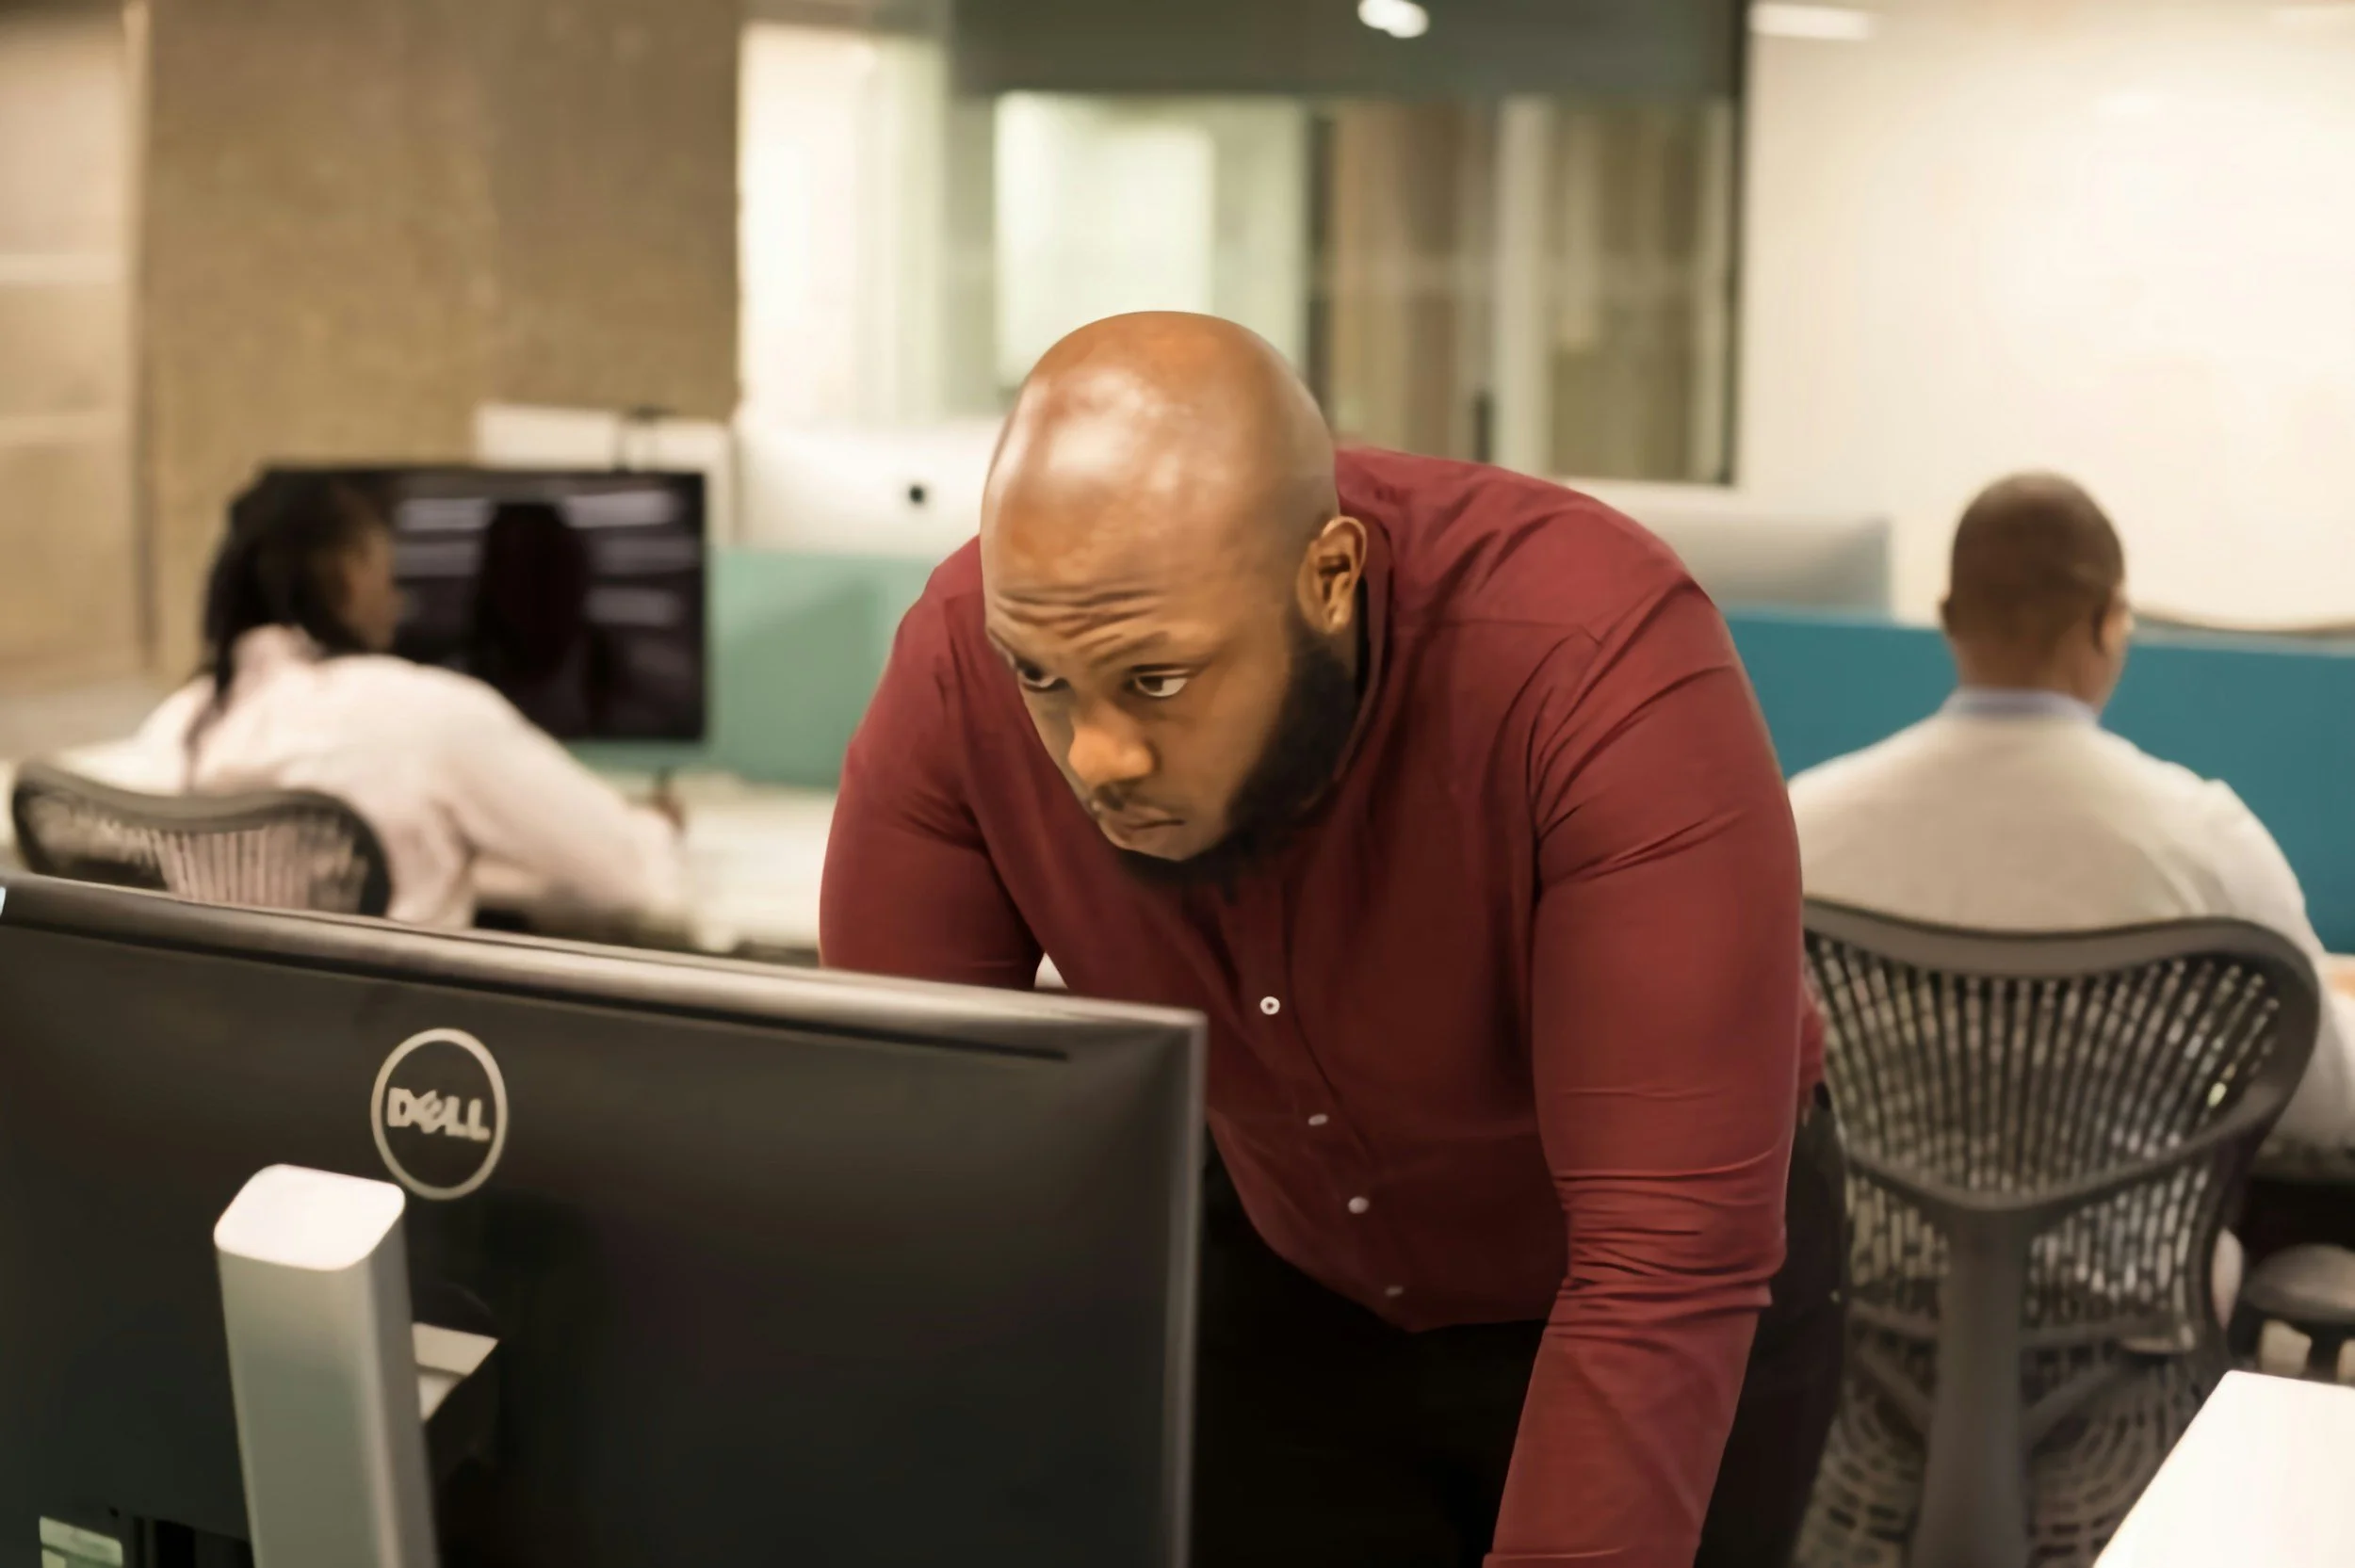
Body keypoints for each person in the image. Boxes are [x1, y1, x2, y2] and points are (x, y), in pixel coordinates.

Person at [821, 313, 1843, 1568]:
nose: (1098, 758)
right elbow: (897, 1182)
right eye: (1043, 681)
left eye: (1156, 681)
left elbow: (1659, 1264)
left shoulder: (1594, 667)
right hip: (1295, 1269)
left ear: (1329, 578)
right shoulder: (964, 661)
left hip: (1650, 1274)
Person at [1790, 474, 2355, 1153]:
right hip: (2134, 1262)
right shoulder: (2207, 837)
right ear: (2106, 623)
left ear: (1949, 618)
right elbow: (2326, 1108)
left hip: (1868, 1258)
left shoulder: (1802, 827)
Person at [111, 470, 687, 929]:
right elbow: (628, 875)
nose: (397, 591)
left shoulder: (179, 724)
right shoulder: (427, 714)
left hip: (235, 1046)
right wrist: (654, 827)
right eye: (385, 562)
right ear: (350, 571)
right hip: (404, 1060)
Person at [463, 499, 622, 738]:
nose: (535, 596)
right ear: (492, 586)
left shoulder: (620, 684)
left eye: (547, 576)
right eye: (519, 579)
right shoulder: (454, 686)